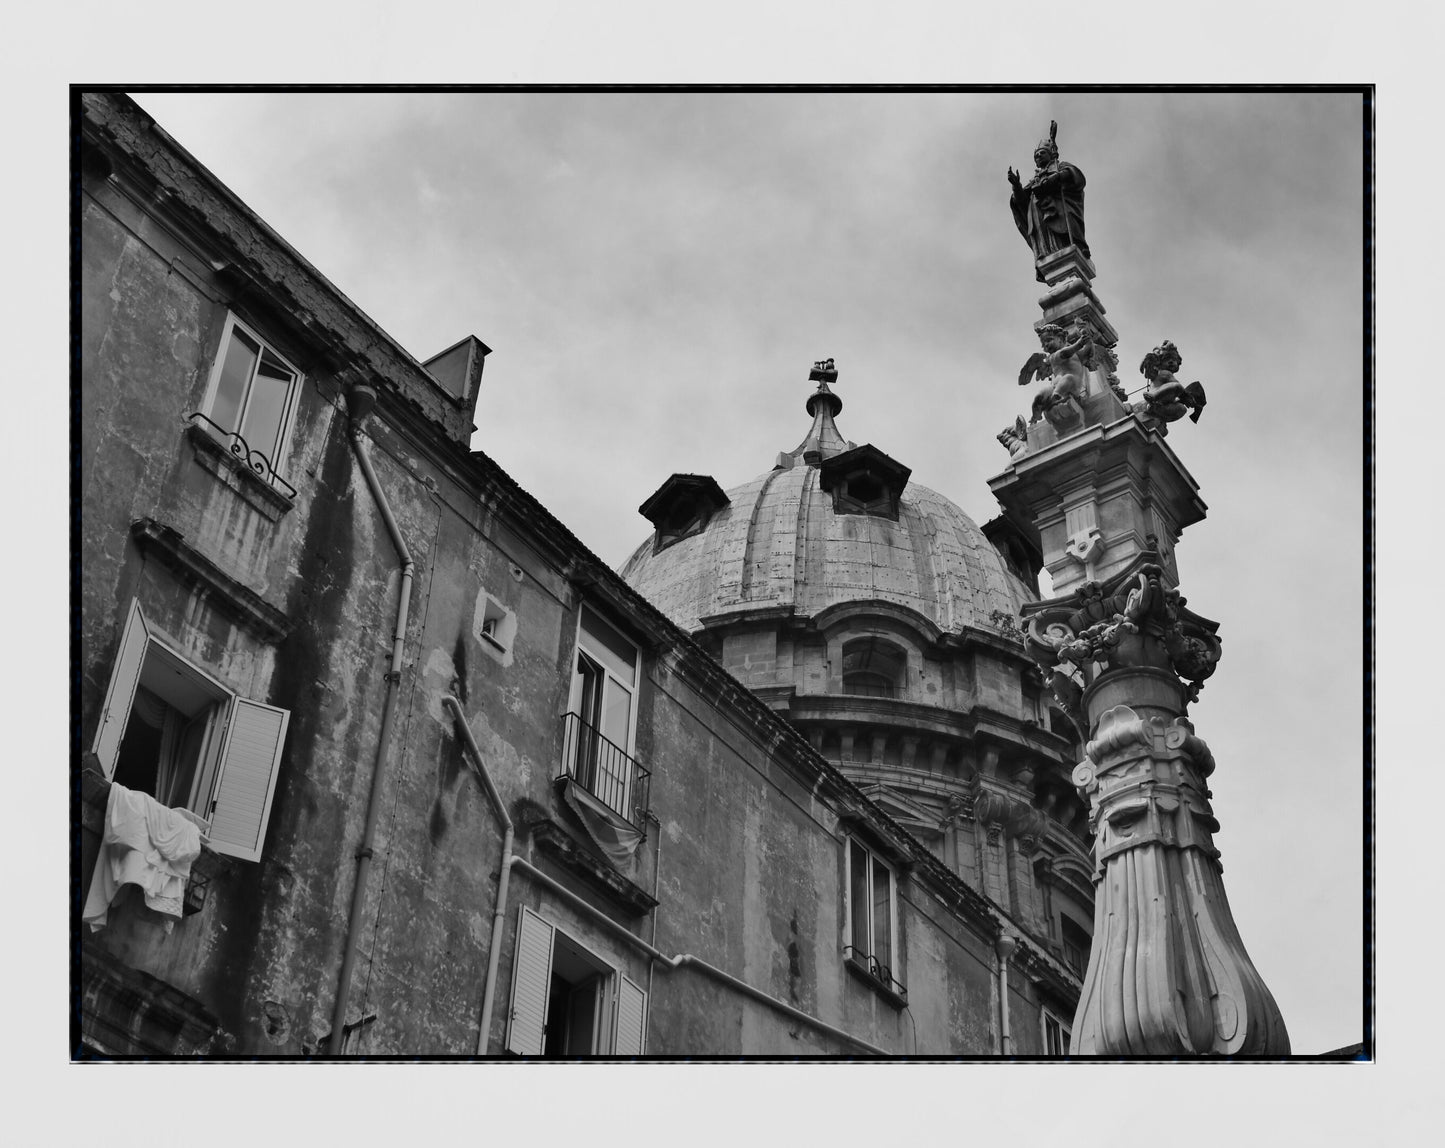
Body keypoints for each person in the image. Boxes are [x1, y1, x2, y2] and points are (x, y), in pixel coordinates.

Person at [1008, 121, 1089, 278]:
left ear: (1050, 154)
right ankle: (1048, 255)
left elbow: (1076, 177)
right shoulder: (1034, 180)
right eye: (1036, 155)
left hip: (1058, 213)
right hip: (1039, 220)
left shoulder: (1060, 167)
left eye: (1042, 153)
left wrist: (1055, 179)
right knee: (1047, 245)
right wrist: (1016, 186)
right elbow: (1022, 202)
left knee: (1062, 242)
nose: (1038, 156)